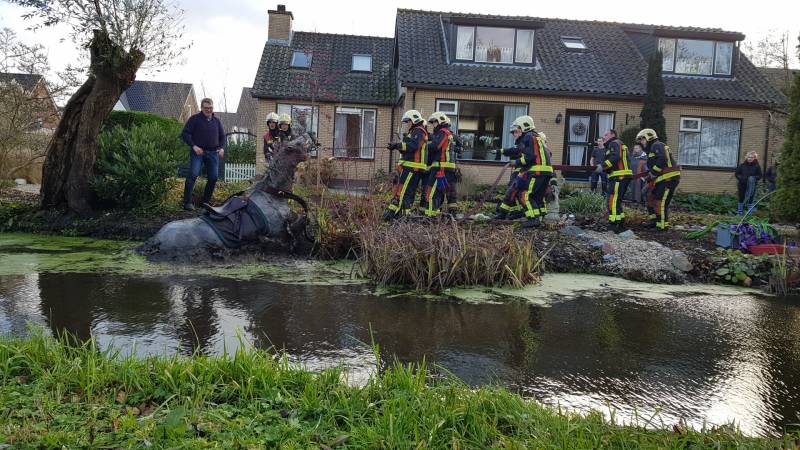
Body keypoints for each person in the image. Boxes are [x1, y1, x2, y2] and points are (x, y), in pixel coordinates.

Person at [498, 116, 552, 228]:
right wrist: (503, 151)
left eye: (517, 130)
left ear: (524, 127)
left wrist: (516, 162)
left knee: (524, 194)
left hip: (536, 171)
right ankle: (539, 218)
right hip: (545, 171)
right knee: (537, 196)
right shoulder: (536, 137)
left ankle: (533, 219)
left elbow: (530, 157)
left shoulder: (528, 137)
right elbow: (521, 151)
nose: (515, 133)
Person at [383, 109, 429, 220]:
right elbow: (408, 149)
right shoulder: (415, 131)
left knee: (402, 191)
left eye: (408, 121)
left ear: (413, 120)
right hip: (412, 168)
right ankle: (403, 216)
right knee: (407, 193)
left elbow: (413, 146)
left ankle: (399, 216)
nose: (407, 124)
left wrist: (398, 145)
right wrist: (396, 146)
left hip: (412, 167)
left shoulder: (418, 130)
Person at [181, 98, 225, 211]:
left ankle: (205, 202)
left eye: (210, 108)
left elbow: (222, 137)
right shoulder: (194, 119)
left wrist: (221, 148)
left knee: (213, 177)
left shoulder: (217, 121)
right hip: (198, 152)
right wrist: (194, 146)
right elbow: (185, 133)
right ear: (201, 108)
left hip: (213, 153)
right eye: (206, 108)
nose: (208, 110)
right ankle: (187, 203)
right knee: (193, 174)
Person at [638, 128, 680, 230]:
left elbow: (662, 159)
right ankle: (654, 221)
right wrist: (650, 174)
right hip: (662, 178)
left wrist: (652, 173)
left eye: (643, 139)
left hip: (668, 179)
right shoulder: (653, 148)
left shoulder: (657, 145)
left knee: (660, 202)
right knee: (651, 198)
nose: (641, 142)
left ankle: (662, 226)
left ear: (649, 137)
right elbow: (657, 164)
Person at [422, 112, 458, 217]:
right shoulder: (448, 133)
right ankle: (452, 213)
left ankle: (431, 216)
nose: (433, 125)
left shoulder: (442, 132)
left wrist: (424, 146)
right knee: (448, 192)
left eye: (434, 122)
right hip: (448, 168)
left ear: (441, 121)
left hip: (440, 168)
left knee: (432, 191)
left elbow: (435, 146)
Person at [602, 129, 632, 233]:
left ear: (613, 135)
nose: (603, 137)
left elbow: (615, 157)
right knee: (617, 201)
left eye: (606, 134)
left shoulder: (614, 143)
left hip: (619, 176)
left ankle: (614, 224)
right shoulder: (619, 144)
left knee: (612, 200)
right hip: (622, 176)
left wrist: (603, 166)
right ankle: (620, 223)